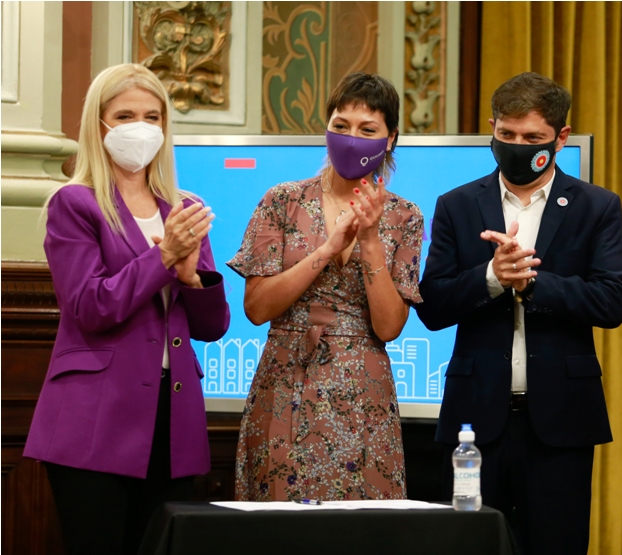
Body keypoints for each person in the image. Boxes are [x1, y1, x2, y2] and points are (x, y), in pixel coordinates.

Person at [415, 72, 622, 555]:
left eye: (532, 138)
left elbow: (612, 301)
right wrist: (492, 277)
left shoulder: (596, 206)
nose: (517, 146)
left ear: (561, 137)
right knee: (468, 547)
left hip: (561, 422)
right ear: (492, 129)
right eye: (506, 134)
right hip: (475, 422)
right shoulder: (456, 205)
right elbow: (432, 305)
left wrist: (531, 282)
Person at [23, 63, 230, 555]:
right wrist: (162, 258)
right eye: (125, 116)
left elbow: (212, 326)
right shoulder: (75, 204)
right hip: (95, 418)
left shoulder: (183, 208)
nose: (141, 127)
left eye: (152, 116)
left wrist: (191, 279)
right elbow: (90, 306)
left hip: (172, 417)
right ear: (99, 126)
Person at [229, 72, 423, 502]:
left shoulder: (405, 216)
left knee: (360, 524)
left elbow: (390, 327)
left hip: (364, 392)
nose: (351, 138)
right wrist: (328, 249)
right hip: (285, 381)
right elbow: (257, 308)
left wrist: (369, 241)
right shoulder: (282, 200)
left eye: (367, 130)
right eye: (341, 125)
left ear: (390, 139)